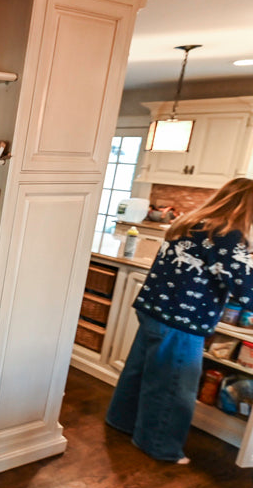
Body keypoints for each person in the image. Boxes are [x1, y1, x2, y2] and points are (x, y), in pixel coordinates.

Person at [106, 177, 253, 463]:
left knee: (139, 372)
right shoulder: (227, 235)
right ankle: (158, 446)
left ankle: (121, 420)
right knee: (173, 387)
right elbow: (246, 288)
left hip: (154, 309)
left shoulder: (193, 223)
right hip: (182, 320)